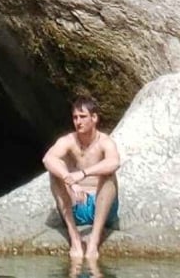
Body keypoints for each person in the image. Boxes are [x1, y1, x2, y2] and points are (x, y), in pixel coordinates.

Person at [43, 95, 122, 260]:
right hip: (76, 204)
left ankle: (93, 243)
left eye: (83, 116)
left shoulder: (105, 142)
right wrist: (69, 179)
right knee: (55, 173)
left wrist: (83, 173)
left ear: (94, 118)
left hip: (101, 208)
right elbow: (48, 159)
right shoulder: (68, 141)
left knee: (108, 174)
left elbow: (114, 162)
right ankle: (75, 239)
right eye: (75, 117)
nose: (78, 121)